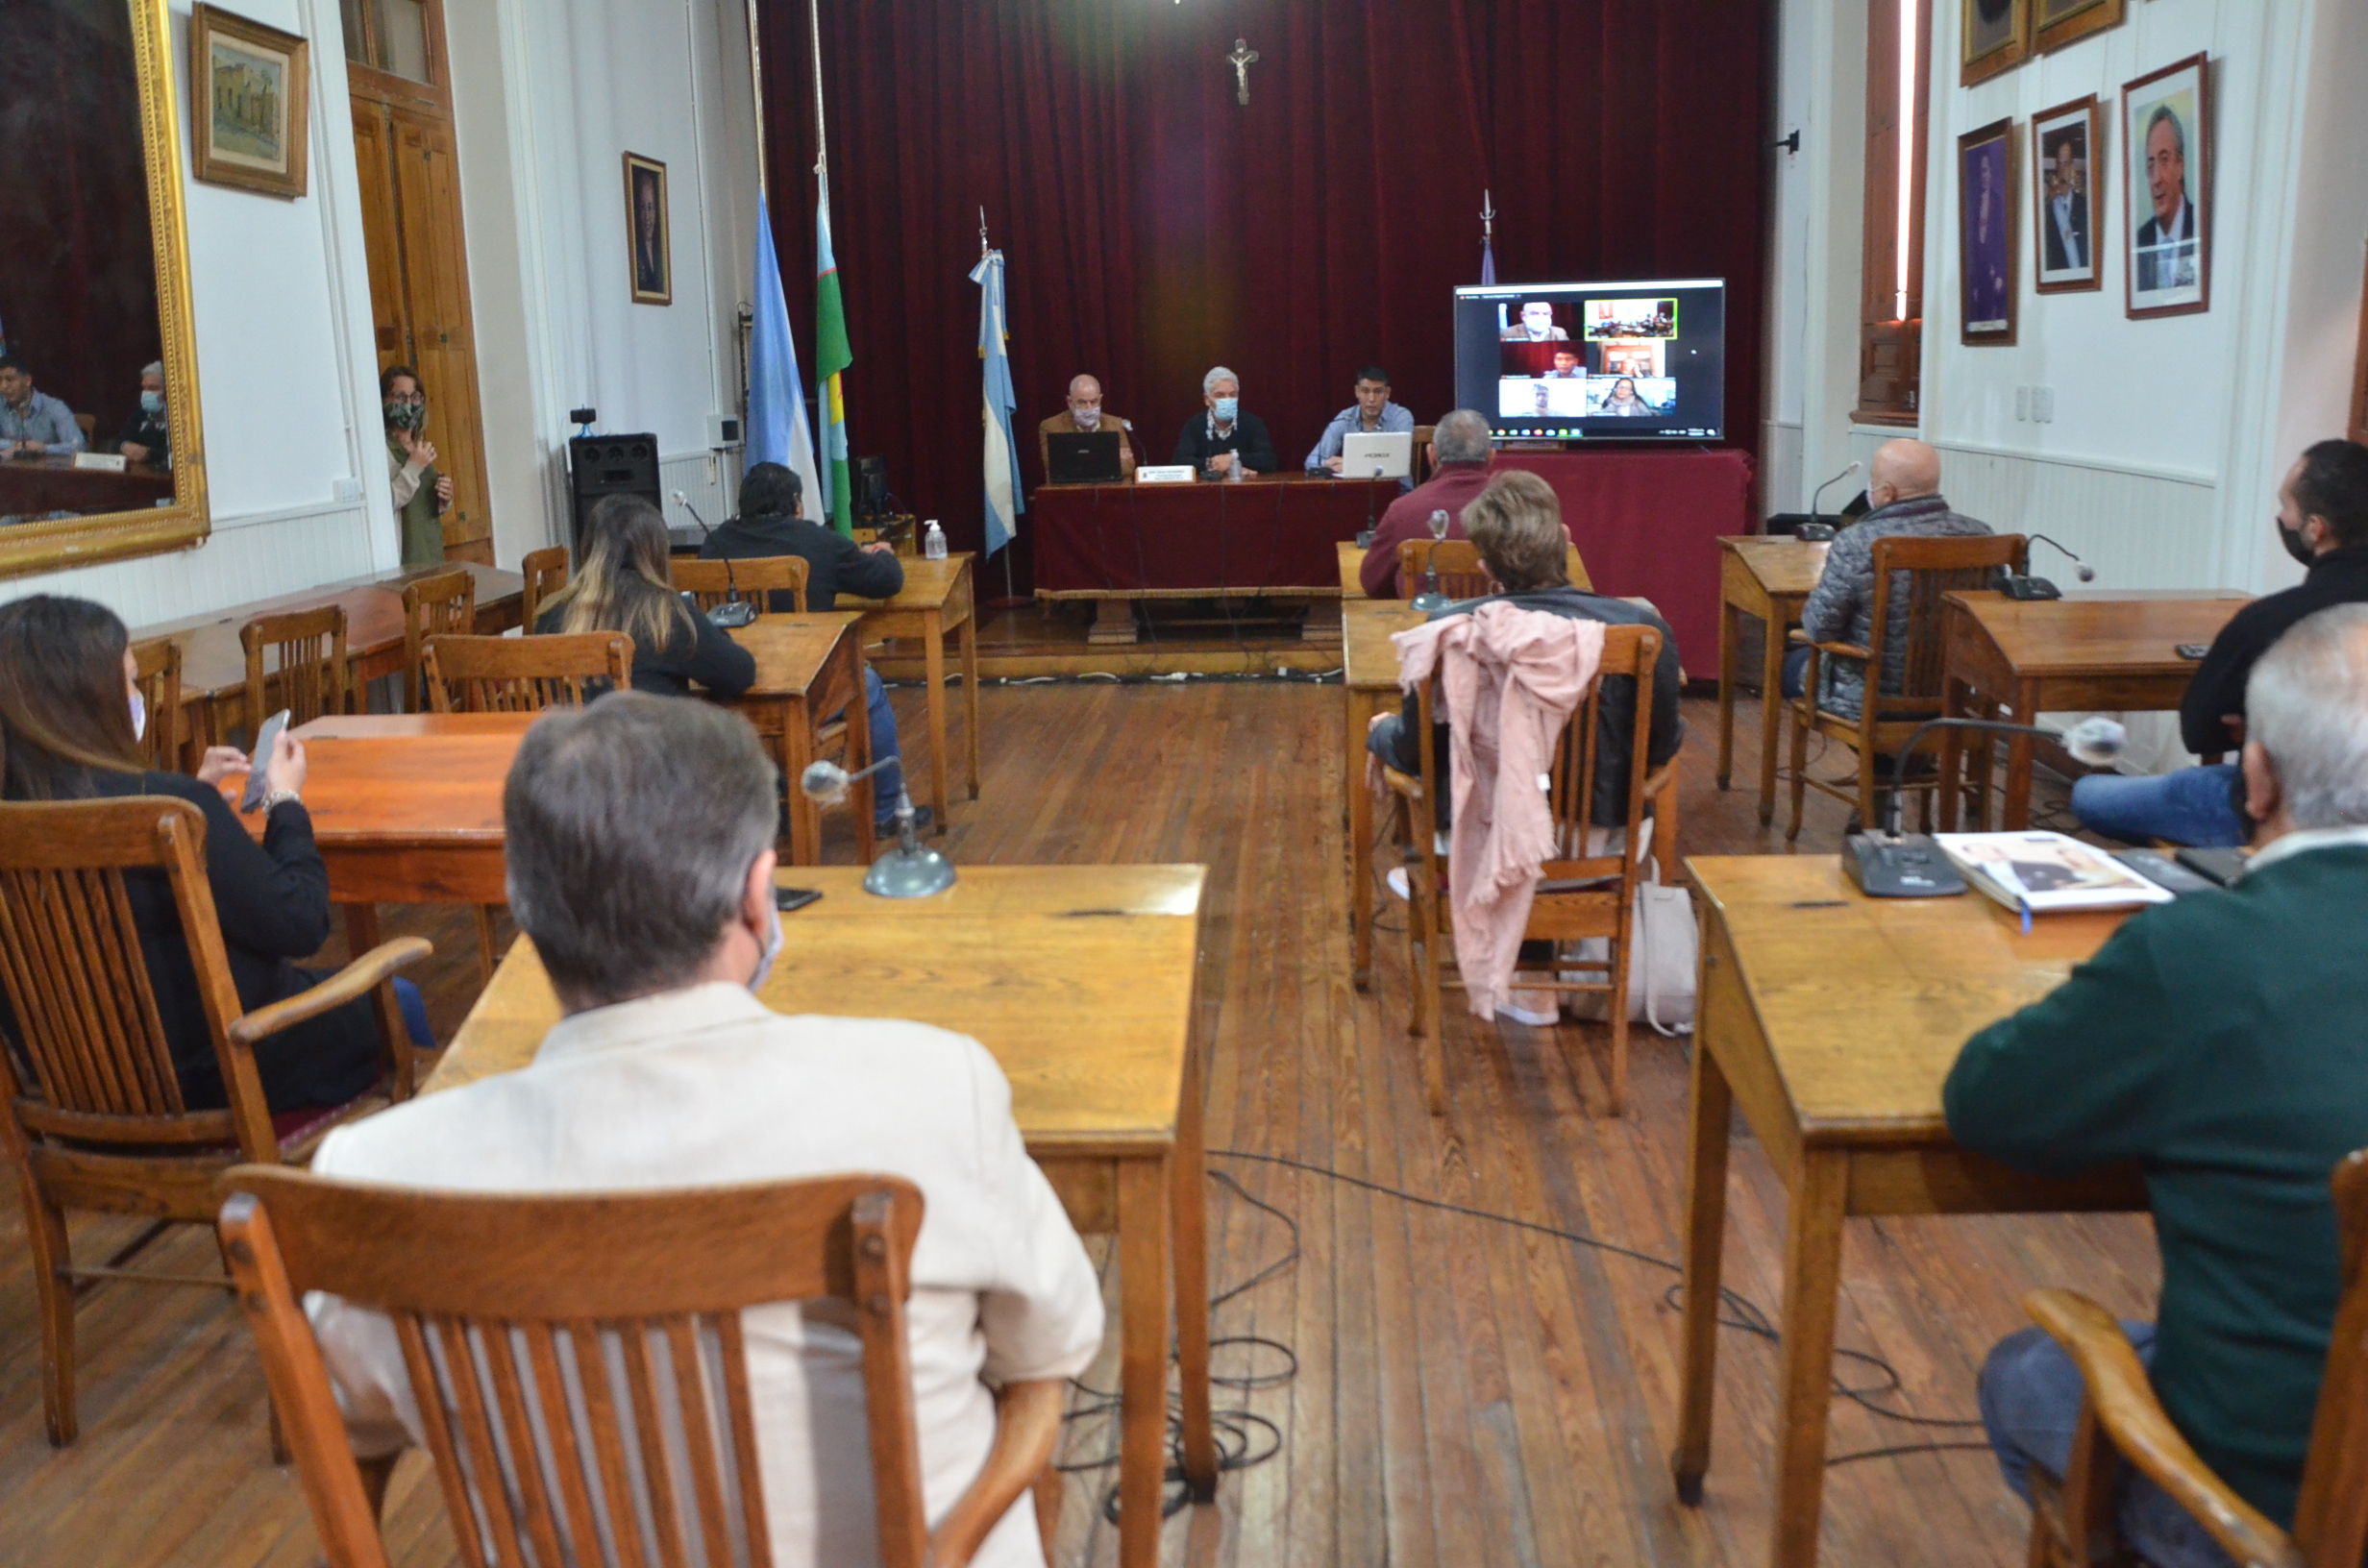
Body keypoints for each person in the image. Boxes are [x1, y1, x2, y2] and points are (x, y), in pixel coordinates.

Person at [301, 692, 1104, 1568]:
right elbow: (1046, 1354)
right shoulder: (937, 1091)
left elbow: (352, 1429)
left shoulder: (377, 1175)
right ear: (759, 899)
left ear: (526, 913)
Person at [1947, 603, 2368, 1568]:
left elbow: (1990, 1105)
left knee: (2031, 1370)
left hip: (2271, 1514)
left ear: (2252, 779)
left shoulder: (2200, 954)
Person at [0, 595, 432, 1113]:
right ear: (89, 701)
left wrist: (181, 795)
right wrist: (285, 801)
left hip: (75, 1100)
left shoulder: (144, 810)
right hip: (224, 1080)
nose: (137, 696)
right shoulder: (173, 809)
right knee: (398, 998)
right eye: (131, 682)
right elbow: (300, 922)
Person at [2073, 439, 2368, 846]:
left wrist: (2266, 723)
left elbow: (2200, 731)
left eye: (2286, 506)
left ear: (2316, 528)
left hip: (2277, 809)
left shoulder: (2271, 620)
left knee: (2090, 795)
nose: (2280, 517)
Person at [1369, 469, 1683, 831]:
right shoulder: (1644, 630)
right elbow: (1660, 748)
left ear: (1485, 568)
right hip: (1601, 844)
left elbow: (1414, 752)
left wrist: (1381, 731)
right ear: (1565, 540)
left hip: (1478, 848)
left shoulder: (1448, 631)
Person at [702, 462, 923, 832]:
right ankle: (887, 813)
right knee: (866, 683)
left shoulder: (715, 544)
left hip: (728, 690)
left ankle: (775, 805)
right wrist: (882, 553)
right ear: (796, 504)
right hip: (806, 690)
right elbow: (887, 581)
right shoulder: (817, 541)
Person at [1788, 438, 1993, 721]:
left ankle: (1884, 762)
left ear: (1887, 492)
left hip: (1870, 700)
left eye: (1872, 479)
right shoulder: (1982, 536)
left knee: (1791, 665)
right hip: (1956, 696)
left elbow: (1819, 629)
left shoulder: (1858, 541)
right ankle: (1905, 760)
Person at [535, 493, 756, 702]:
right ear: (656, 549)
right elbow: (738, 674)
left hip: (570, 740)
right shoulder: (666, 613)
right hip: (651, 740)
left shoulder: (551, 613)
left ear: (589, 546)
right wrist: (716, 635)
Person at [1360, 408, 1494, 598]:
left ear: (1431, 454)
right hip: (1494, 624)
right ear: (1491, 457)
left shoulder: (1402, 511)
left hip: (1423, 624)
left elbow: (1371, 583)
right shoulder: (1519, 509)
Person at [381, 365, 453, 566]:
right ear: (385, 401)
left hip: (430, 553)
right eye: (401, 398)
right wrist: (413, 467)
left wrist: (444, 497)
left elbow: (423, 503)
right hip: (403, 559)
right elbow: (383, 504)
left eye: (415, 397)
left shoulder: (419, 445)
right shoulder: (380, 450)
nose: (409, 404)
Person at [1303, 365, 1416, 481]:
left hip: (1396, 491)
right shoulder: (1345, 418)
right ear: (1357, 392)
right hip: (1356, 492)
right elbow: (1312, 461)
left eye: (1378, 392)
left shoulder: (1400, 417)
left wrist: (1351, 464)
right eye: (1365, 391)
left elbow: (1399, 462)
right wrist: (1327, 463)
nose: (1371, 399)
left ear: (1387, 393)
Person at [1172, 365, 1276, 479]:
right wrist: (1212, 464)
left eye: (1232, 395)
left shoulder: (1252, 423)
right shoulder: (1195, 425)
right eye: (1220, 395)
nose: (1228, 400)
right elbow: (1180, 463)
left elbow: (1268, 461)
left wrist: (1233, 459)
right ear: (1207, 399)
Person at [2135, 104, 2199, 293]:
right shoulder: (2139, 241)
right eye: (2151, 164)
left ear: (2180, 165)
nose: (2156, 179)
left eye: (2164, 160)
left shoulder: (2200, 226)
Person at [1037, 373, 1135, 478]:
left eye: (1094, 402)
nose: (1089, 408)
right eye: (1082, 402)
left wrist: (1079, 460)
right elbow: (1056, 468)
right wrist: (1111, 457)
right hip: (1069, 491)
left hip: (1107, 490)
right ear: (1070, 402)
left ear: (1100, 399)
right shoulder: (1051, 427)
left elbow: (1129, 467)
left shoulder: (1115, 424)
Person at [0, 357, 85, 459]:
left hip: (47, 472)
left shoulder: (54, 407)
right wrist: (17, 446)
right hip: (10, 472)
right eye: (0, 380)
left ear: (27, 381)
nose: (3, 386)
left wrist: (44, 448)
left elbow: (79, 447)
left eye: (10, 379)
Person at [2044, 147, 2089, 274]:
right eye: (2059, 164)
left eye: (2066, 164)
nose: (2062, 169)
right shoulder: (2049, 208)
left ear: (2072, 167)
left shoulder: (2085, 205)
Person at [116, 361, 170, 468]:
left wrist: (149, 454)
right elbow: (117, 442)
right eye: (144, 388)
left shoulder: (181, 420)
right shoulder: (140, 415)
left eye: (153, 388)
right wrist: (124, 446)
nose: (146, 393)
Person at [1499, 301, 1569, 342]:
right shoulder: (1507, 333)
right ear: (1523, 316)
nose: (1541, 318)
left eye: (1546, 314)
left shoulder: (1560, 332)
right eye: (1535, 313)